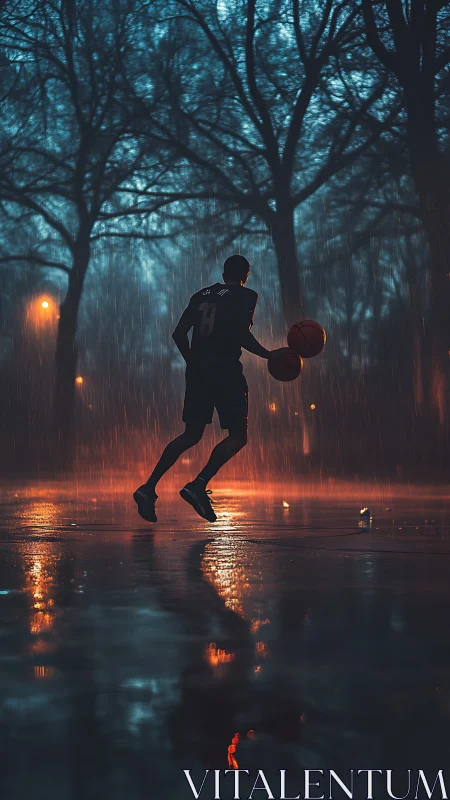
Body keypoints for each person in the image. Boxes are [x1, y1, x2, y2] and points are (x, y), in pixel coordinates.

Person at [133, 254, 272, 523]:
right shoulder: (246, 296)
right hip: (226, 372)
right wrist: (269, 355)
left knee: (192, 434)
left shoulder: (202, 294)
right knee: (238, 436)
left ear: (223, 273)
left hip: (198, 373)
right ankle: (198, 484)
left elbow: (178, 334)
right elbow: (241, 335)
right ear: (245, 275)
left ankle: (148, 487)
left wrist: (194, 362)